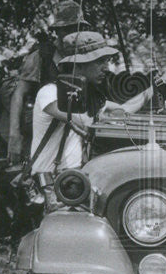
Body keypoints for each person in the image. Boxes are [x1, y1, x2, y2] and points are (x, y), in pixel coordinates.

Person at [28, 31, 119, 207]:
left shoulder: (87, 99)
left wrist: (153, 88)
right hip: (52, 181)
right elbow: (83, 122)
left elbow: (125, 109)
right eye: (100, 62)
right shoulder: (49, 93)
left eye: (106, 61)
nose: (105, 68)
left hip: (73, 178)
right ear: (79, 65)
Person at [8, 0, 83, 164]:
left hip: (74, 128)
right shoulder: (41, 56)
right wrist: (14, 134)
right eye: (67, 29)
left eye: (77, 29)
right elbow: (19, 94)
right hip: (42, 129)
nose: (73, 34)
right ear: (58, 31)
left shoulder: (85, 57)